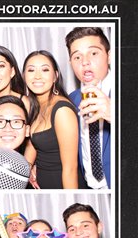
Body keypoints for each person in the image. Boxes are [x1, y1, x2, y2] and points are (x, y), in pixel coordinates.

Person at [22, 51, 79, 189]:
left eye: (45, 70)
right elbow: (34, 144)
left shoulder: (62, 111)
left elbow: (70, 169)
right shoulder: (35, 106)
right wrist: (27, 169)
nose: (37, 76)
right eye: (31, 70)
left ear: (55, 76)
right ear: (24, 76)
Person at [65, 27, 113, 189]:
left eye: (93, 53)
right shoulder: (71, 99)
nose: (84, 61)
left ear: (109, 56)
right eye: (77, 57)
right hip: (87, 187)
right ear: (71, 63)